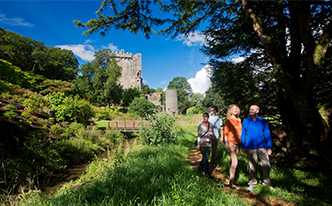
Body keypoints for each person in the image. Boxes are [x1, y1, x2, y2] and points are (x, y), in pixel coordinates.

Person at [241, 105, 275, 192]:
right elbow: (243, 134)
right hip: (250, 148)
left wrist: (269, 147)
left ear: (257, 111)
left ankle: (267, 183)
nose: (251, 110)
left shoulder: (262, 121)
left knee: (266, 165)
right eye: (250, 109)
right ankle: (252, 184)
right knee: (252, 167)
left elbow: (267, 134)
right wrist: (243, 146)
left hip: (262, 147)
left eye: (253, 109)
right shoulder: (246, 121)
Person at [224, 104, 242, 189]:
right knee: (235, 162)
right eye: (233, 109)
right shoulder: (228, 120)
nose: (235, 110)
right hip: (231, 142)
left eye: (236, 109)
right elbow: (226, 133)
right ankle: (232, 183)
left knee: (232, 161)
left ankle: (231, 177)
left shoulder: (239, 120)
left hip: (238, 143)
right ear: (230, 111)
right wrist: (226, 144)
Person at [197, 113, 214, 179]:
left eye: (206, 117)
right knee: (206, 158)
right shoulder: (200, 125)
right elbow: (199, 135)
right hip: (202, 143)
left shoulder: (211, 125)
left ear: (208, 117)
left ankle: (199, 168)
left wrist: (211, 134)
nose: (205, 118)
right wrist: (198, 144)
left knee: (205, 157)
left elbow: (211, 132)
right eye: (204, 117)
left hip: (209, 143)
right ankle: (207, 173)